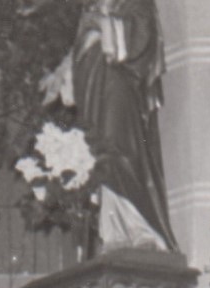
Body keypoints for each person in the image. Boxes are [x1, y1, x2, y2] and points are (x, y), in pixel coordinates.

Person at [51, 0, 176, 252]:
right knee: (100, 157)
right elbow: (81, 48)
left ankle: (140, 228)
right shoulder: (92, 6)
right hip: (93, 91)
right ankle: (112, 231)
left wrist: (102, 24)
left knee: (120, 149)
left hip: (118, 86)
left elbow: (142, 39)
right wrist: (64, 73)